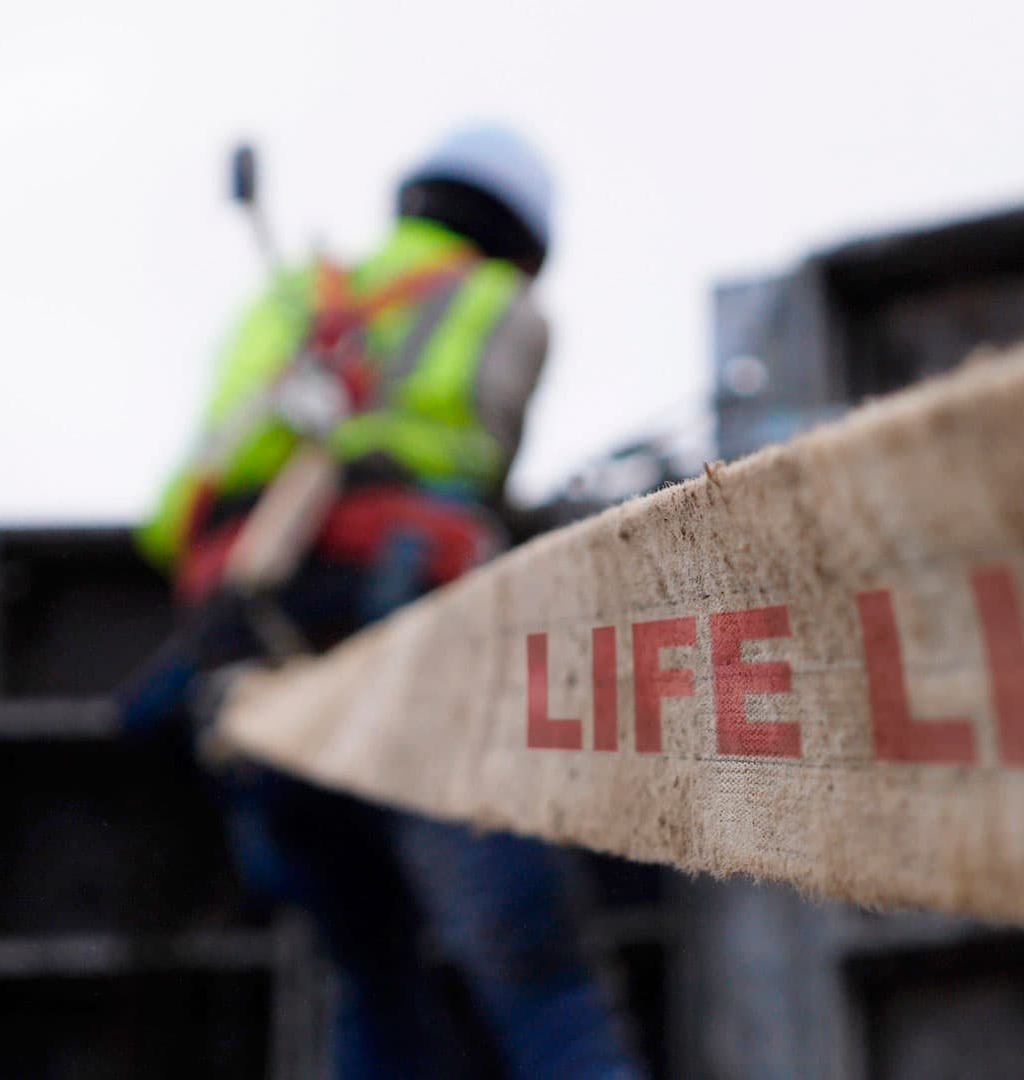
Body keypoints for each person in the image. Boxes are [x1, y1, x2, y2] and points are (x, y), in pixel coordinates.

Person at [128, 126, 644, 1080]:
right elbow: (478, 474)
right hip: (409, 652)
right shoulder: (500, 309)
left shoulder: (289, 297)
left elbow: (170, 522)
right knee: (543, 981)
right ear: (523, 245)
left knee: (373, 975)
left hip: (255, 680)